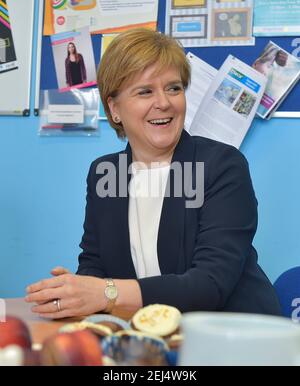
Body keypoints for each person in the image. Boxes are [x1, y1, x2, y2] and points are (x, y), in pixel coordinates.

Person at [25, 29, 282, 319]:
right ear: (114, 108)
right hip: (152, 337)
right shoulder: (105, 173)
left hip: (235, 339)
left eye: (174, 88)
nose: (164, 102)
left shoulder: (223, 166)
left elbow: (210, 285)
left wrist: (104, 292)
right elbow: (95, 264)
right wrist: (76, 291)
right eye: (145, 91)